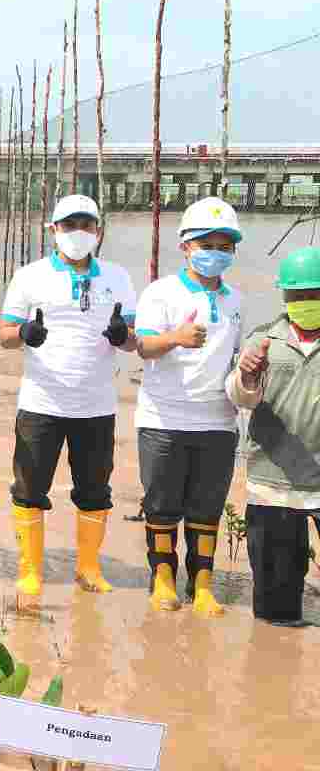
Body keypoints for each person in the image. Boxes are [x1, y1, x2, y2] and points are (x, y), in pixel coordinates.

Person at [0, 194, 137, 597]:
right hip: (41, 403)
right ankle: (30, 570)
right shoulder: (29, 276)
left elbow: (132, 341)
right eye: (69, 225)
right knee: (28, 489)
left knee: (95, 489)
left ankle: (90, 568)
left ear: (98, 231)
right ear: (53, 230)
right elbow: (5, 335)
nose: (78, 233)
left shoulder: (118, 277)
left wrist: (122, 336)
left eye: (86, 225)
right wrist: (25, 333)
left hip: (96, 406)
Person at [133, 197, 244, 616]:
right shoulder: (161, 293)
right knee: (161, 503)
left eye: (224, 246)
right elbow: (143, 346)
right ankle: (162, 577)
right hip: (163, 417)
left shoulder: (236, 301)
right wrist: (175, 338)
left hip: (218, 420)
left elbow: (235, 357)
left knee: (207, 506)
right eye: (206, 243)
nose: (215, 253)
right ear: (185, 245)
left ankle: (203, 582)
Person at [226, 246, 320, 626]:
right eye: (297, 295)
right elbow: (238, 396)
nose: (305, 301)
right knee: (276, 608)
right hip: (274, 481)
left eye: (313, 294)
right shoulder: (262, 340)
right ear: (284, 296)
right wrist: (248, 374)